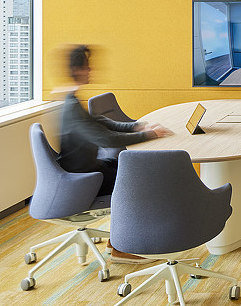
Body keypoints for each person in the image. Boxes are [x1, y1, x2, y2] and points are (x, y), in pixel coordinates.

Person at [57, 45, 173, 264]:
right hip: (82, 179)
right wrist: (149, 135)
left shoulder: (71, 100)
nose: (90, 70)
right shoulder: (71, 107)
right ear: (76, 69)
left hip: (89, 169)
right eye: (86, 66)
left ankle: (119, 240)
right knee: (137, 179)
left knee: (131, 168)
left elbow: (101, 122)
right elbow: (105, 139)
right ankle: (122, 248)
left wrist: (135, 127)